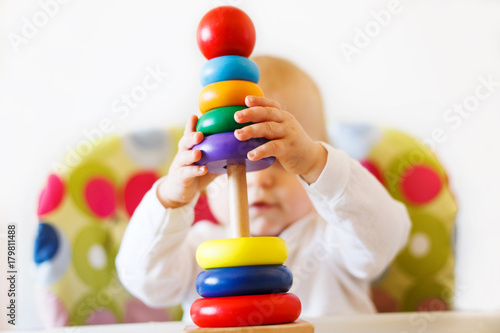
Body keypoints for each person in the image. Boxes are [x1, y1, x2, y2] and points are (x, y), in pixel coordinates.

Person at [116, 56, 411, 320]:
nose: (258, 178)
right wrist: (170, 199)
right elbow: (141, 279)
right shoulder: (200, 250)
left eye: (284, 160)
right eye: (233, 165)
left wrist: (317, 163)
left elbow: (386, 235)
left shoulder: (334, 238)